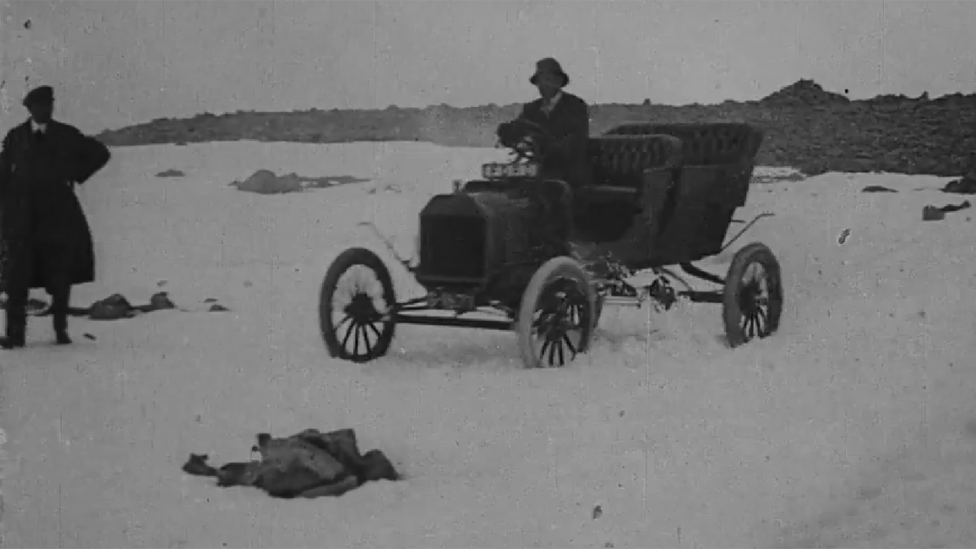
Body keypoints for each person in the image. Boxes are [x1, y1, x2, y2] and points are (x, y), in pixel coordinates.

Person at [0, 85, 111, 349]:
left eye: (49, 105)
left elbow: (100, 154)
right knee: (17, 274)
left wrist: (75, 173)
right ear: (29, 109)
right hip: (22, 216)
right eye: (40, 106)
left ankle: (60, 331)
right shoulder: (16, 137)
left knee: (59, 273)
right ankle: (15, 335)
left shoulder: (66, 134)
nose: (45, 110)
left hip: (58, 214)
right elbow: (2, 172)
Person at [497, 58, 593, 256]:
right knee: (505, 187)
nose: (544, 85)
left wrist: (554, 148)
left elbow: (577, 140)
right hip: (538, 167)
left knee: (554, 191)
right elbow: (519, 129)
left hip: (570, 167)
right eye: (541, 81)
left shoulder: (575, 105)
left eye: (549, 79)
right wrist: (507, 133)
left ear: (559, 82)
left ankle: (562, 245)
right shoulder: (531, 109)